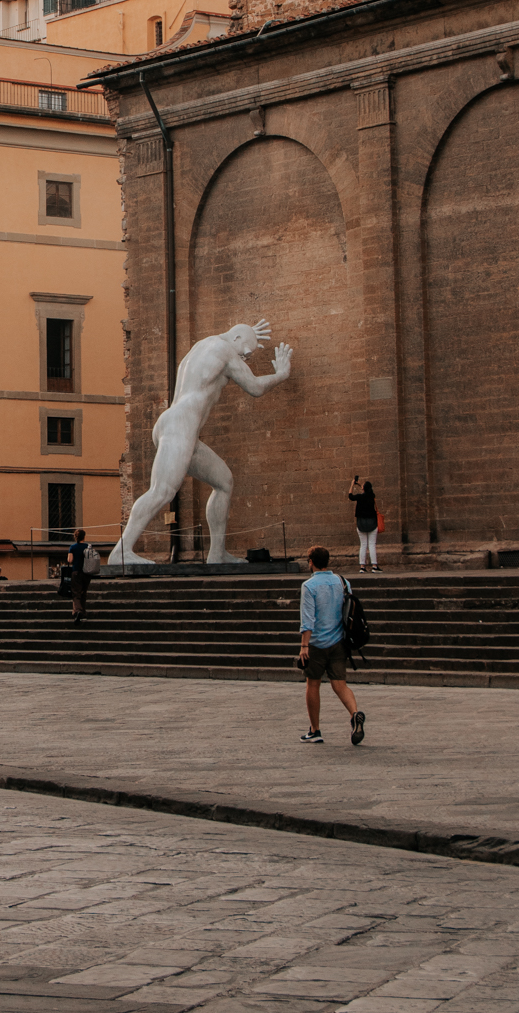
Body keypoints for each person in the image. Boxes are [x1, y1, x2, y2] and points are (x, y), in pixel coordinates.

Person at [109, 319, 293, 566]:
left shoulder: (203, 345)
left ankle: (217, 554)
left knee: (224, 481)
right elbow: (255, 387)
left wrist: (249, 334)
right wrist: (281, 374)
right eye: (247, 352)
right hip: (180, 427)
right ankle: (121, 551)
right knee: (161, 491)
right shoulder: (227, 350)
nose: (245, 359)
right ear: (236, 339)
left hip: (179, 427)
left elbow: (233, 339)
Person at [299, 546, 365, 746]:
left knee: (313, 684)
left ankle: (315, 730)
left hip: (318, 643)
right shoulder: (343, 582)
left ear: (311, 562)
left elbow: (308, 620)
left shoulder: (309, 586)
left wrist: (304, 646)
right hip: (339, 642)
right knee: (340, 684)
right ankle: (354, 714)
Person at [66, 528, 100, 623]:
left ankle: (77, 611)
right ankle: (83, 612)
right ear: (84, 537)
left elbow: (70, 560)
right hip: (87, 572)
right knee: (83, 593)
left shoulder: (73, 547)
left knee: (76, 593)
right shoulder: (88, 547)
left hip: (76, 572)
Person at [348, 476, 380, 572]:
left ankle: (362, 567)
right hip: (372, 523)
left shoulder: (360, 497)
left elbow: (350, 496)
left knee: (363, 545)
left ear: (364, 489)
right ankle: (374, 566)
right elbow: (367, 490)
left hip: (361, 523)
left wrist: (352, 485)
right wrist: (361, 485)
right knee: (372, 545)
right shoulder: (372, 496)